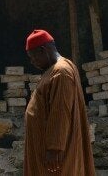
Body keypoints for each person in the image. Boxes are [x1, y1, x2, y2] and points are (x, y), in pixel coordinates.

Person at [24, 29, 94, 176]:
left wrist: (54, 149)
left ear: (43, 50)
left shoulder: (61, 72)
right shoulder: (56, 70)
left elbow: (61, 111)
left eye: (33, 57)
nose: (32, 62)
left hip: (55, 154)